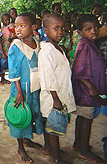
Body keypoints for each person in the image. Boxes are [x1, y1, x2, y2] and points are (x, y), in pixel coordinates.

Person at [38, 14, 76, 164]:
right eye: (56, 28)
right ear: (45, 30)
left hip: (59, 93)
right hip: (52, 96)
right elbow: (47, 77)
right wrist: (55, 99)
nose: (60, 31)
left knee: (51, 124)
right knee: (53, 127)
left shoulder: (57, 47)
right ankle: (56, 157)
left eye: (62, 28)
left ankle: (49, 148)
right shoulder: (46, 51)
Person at [7, 12, 43, 163]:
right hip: (21, 88)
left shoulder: (37, 41)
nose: (18, 29)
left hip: (35, 87)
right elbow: (14, 71)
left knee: (33, 113)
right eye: (16, 26)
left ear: (34, 27)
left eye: (22, 26)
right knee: (21, 115)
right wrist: (19, 92)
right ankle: (20, 147)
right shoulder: (16, 46)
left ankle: (28, 139)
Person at [71, 14, 106, 163]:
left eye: (96, 28)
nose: (93, 31)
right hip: (86, 92)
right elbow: (78, 70)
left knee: (82, 117)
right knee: (87, 119)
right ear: (80, 32)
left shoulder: (91, 43)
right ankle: (84, 150)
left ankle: (78, 143)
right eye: (88, 29)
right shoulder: (84, 45)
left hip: (87, 91)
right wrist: (91, 87)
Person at [0, 13, 11, 84]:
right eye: (5, 20)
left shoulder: (10, 27)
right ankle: (2, 77)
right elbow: (0, 41)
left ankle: (7, 77)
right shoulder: (1, 29)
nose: (7, 21)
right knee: (3, 63)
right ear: (2, 21)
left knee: (9, 62)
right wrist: (2, 52)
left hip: (9, 46)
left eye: (8, 19)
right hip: (4, 47)